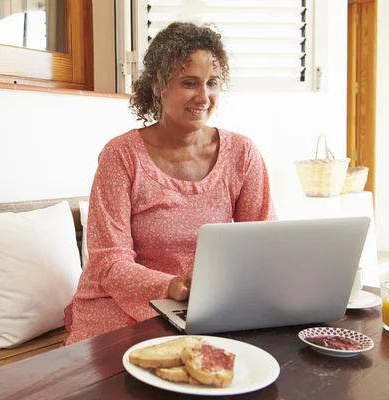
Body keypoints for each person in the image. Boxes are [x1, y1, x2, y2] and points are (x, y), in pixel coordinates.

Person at [63, 21, 276, 345]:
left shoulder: (241, 154)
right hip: (120, 306)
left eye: (213, 83)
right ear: (158, 86)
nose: (203, 97)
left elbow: (265, 241)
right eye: (189, 83)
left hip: (200, 308)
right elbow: (109, 262)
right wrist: (172, 286)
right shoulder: (121, 156)